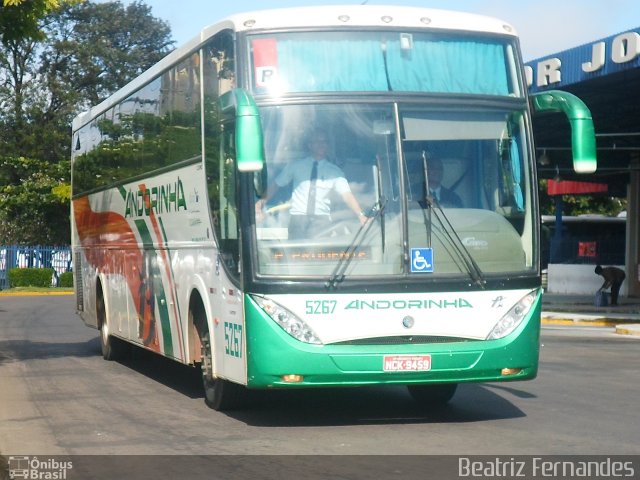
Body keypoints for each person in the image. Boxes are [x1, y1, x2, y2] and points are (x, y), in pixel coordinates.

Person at [256, 129, 368, 239]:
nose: (321, 145)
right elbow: (276, 185)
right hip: (298, 219)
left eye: (324, 142)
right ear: (310, 145)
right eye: (317, 141)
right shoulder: (295, 166)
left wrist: (361, 215)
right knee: (295, 254)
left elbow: (347, 195)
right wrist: (259, 204)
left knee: (319, 254)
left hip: (322, 221)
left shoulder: (335, 172)